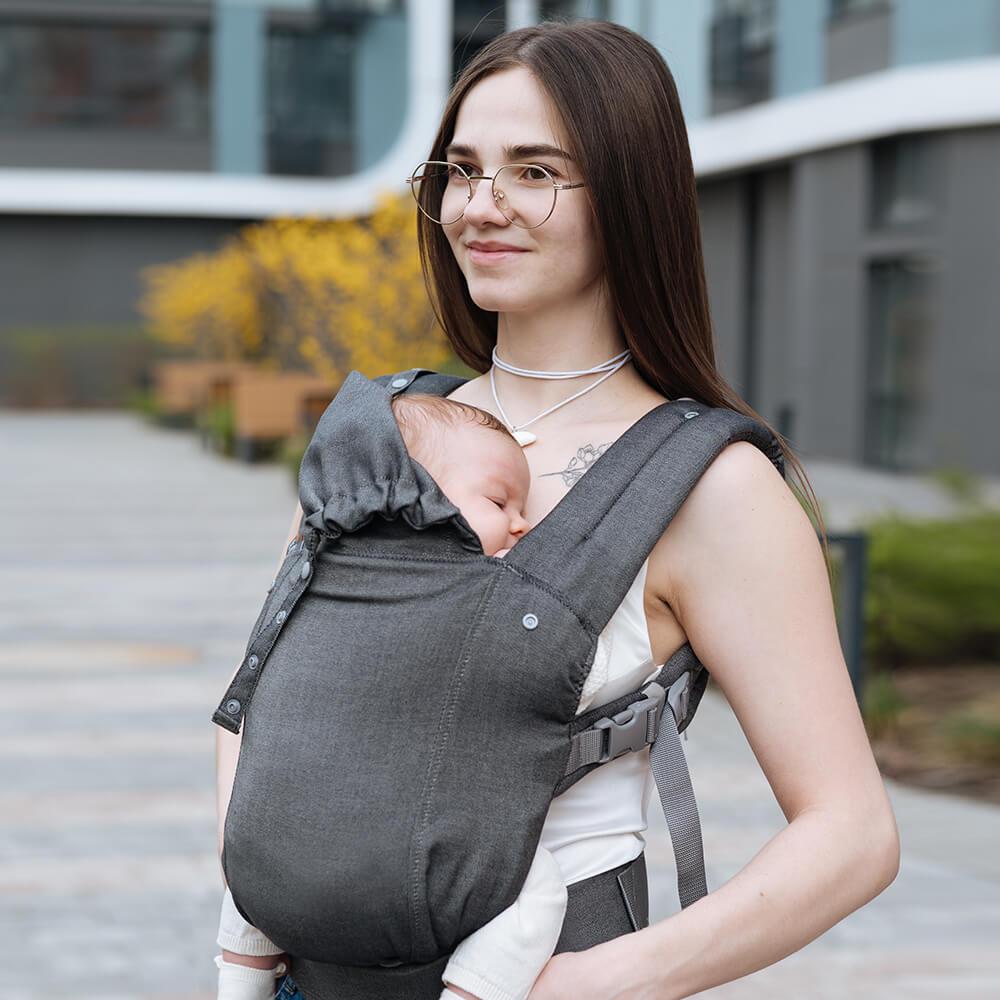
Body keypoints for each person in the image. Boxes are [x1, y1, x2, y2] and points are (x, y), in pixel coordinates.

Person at [215, 18, 900, 1000]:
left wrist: (605, 981)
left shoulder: (710, 485)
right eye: (461, 168)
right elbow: (265, 699)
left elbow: (852, 832)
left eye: (535, 171)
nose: (480, 206)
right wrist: (267, 876)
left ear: (630, 195)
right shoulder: (385, 433)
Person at [214, 395, 578, 1000]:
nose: (522, 524)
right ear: (422, 495)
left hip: (280, 839)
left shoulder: (322, 561)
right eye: (499, 501)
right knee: (536, 886)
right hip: (411, 845)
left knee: (260, 855)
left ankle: (240, 979)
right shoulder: (489, 597)